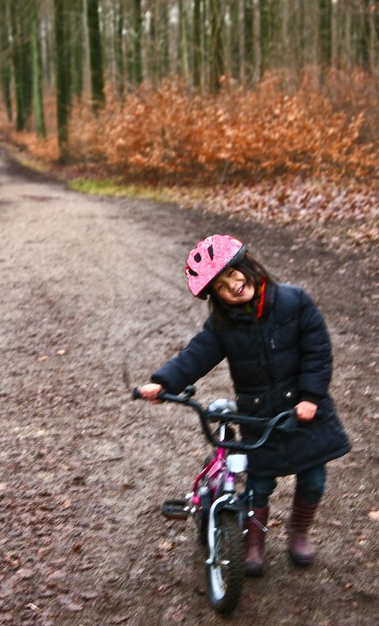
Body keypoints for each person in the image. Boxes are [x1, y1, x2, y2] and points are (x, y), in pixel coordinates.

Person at [136, 234, 351, 576]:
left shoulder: (293, 302)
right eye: (222, 286)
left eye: (235, 274)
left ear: (249, 267)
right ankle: (254, 542)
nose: (234, 286)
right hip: (258, 413)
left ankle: (298, 532)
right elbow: (197, 354)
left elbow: (317, 352)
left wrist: (311, 396)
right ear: (217, 298)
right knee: (259, 485)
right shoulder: (223, 325)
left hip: (303, 410)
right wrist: (163, 382)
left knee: (313, 478)